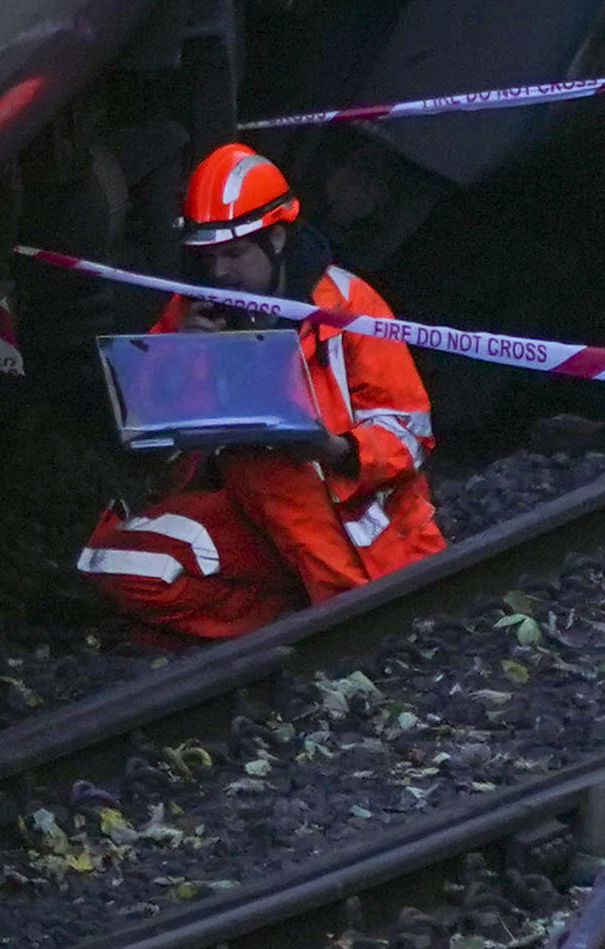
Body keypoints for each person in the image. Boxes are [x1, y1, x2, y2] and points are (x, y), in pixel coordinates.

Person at [75, 144, 445, 644]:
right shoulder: (193, 313)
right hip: (251, 518)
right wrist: (176, 353)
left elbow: (409, 433)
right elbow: (147, 435)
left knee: (273, 473)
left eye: (234, 254)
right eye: (208, 258)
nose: (220, 273)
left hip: (353, 522)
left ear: (276, 237)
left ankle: (333, 622)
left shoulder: (348, 305)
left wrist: (335, 449)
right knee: (115, 561)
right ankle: (286, 626)